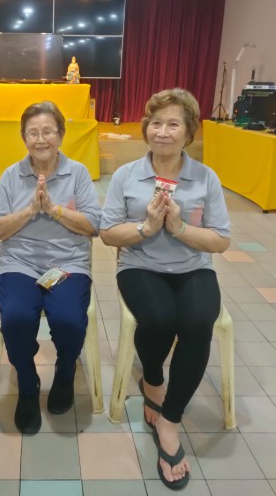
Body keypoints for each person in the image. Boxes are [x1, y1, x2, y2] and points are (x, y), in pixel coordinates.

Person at [99, 88, 230, 490]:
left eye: (173, 124)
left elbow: (221, 240)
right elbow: (107, 233)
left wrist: (180, 228)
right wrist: (147, 228)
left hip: (192, 267)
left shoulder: (206, 178)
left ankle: (170, 420)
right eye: (155, 123)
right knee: (158, 318)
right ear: (146, 128)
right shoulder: (127, 175)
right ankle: (153, 378)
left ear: (189, 131)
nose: (162, 131)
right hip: (140, 264)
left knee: (197, 323)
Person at [0, 100, 101, 434]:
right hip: (20, 263)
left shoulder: (77, 173)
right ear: (24, 137)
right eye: (32, 132)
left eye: (48, 131)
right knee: (15, 318)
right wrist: (29, 211)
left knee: (68, 320)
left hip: (67, 263)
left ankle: (65, 372)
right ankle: (27, 381)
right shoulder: (12, 175)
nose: (40, 139)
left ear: (61, 135)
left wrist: (54, 209)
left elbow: (93, 225)